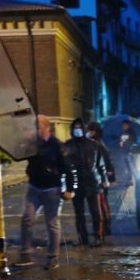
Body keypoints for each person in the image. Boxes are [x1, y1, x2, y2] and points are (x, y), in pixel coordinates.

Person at [17, 115, 73, 270]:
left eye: (38, 126)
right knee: (27, 218)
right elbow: (19, 153)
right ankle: (26, 253)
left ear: (47, 128)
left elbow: (67, 168)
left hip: (52, 189)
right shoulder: (33, 144)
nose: (35, 129)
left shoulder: (56, 146)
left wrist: (69, 189)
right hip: (34, 187)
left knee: (52, 223)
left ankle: (53, 257)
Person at [66, 118, 109, 247]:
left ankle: (98, 236)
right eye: (75, 128)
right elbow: (65, 166)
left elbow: (100, 165)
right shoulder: (68, 145)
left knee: (96, 212)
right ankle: (82, 238)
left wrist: (104, 179)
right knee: (79, 214)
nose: (77, 130)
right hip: (76, 182)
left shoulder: (94, 145)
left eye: (79, 127)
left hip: (92, 182)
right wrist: (67, 187)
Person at [87, 121, 115, 235]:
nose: (88, 132)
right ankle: (104, 226)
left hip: (100, 179)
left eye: (90, 130)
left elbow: (107, 161)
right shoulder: (94, 144)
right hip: (96, 178)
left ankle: (106, 226)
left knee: (103, 203)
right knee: (100, 204)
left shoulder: (99, 145)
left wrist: (110, 178)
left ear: (95, 132)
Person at [119, 119, 140, 185]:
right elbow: (122, 140)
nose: (124, 126)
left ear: (128, 125)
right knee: (127, 168)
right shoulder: (123, 132)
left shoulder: (131, 133)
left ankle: (138, 180)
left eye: (125, 125)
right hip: (124, 152)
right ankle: (129, 180)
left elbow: (134, 143)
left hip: (130, 153)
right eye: (123, 125)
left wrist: (131, 151)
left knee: (133, 167)